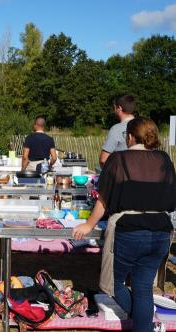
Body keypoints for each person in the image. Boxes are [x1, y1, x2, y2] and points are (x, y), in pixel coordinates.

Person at [73, 117, 176, 332]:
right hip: (161, 230)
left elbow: (103, 198)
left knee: (113, 284)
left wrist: (89, 225)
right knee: (143, 287)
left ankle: (140, 319)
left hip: (129, 230)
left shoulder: (119, 159)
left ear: (130, 136)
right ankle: (143, 323)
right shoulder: (164, 159)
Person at [99, 94, 135, 168]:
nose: (114, 110)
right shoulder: (145, 126)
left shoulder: (116, 129)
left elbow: (103, 160)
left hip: (122, 176)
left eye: (114, 107)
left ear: (119, 108)